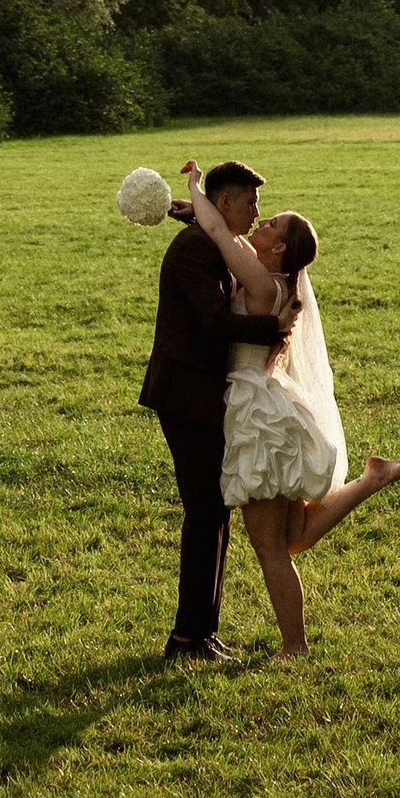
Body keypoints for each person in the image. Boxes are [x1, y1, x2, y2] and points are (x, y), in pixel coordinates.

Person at [181, 159, 400, 659]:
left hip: (257, 416)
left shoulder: (265, 284)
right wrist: (195, 211)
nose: (260, 221)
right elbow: (225, 235)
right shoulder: (271, 278)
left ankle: (295, 646)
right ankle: (371, 480)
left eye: (270, 224)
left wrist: (194, 188)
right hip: (270, 408)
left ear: (280, 248)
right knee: (291, 537)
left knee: (273, 548)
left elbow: (220, 235)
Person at [137, 156, 284, 664]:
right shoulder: (194, 251)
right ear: (225, 202)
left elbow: (226, 239)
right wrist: (274, 331)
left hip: (202, 396)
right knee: (206, 514)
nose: (256, 210)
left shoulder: (210, 240)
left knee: (213, 512)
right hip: (185, 397)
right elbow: (216, 323)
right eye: (251, 201)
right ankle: (187, 639)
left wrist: (191, 212)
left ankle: (201, 632)